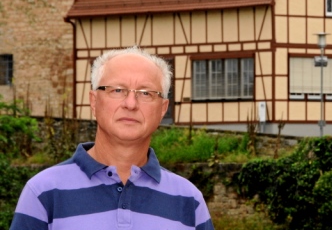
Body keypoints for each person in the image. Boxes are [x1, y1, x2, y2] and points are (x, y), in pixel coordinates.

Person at [10, 46, 215, 230]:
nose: (131, 104)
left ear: (163, 109)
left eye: (146, 93)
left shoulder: (189, 200)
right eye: (117, 90)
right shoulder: (43, 192)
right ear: (94, 101)